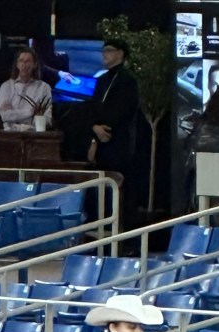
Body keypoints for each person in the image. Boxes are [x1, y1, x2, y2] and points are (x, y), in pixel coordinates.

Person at [88, 37, 139, 229]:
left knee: (119, 191)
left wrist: (106, 128)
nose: (105, 54)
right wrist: (94, 128)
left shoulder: (128, 80)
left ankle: (119, 235)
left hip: (118, 142)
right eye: (104, 50)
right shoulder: (101, 80)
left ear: (120, 53)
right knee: (99, 191)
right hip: (100, 141)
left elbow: (125, 110)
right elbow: (92, 108)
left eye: (109, 50)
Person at [0, 47, 52, 131]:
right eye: (21, 61)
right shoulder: (6, 87)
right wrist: (31, 112)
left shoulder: (43, 88)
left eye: (28, 61)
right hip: (10, 135)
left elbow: (47, 119)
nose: (24, 64)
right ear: (17, 64)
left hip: (33, 135)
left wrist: (34, 121)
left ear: (34, 64)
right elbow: (5, 115)